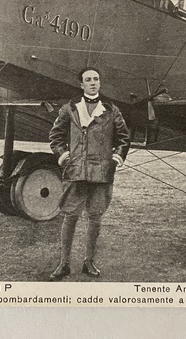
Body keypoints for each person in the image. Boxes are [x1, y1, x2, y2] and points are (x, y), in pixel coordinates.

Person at [48, 67, 130, 280]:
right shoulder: (70, 108)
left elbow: (124, 138)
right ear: (81, 84)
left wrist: (115, 159)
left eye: (96, 79)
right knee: (70, 215)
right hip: (76, 171)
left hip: (101, 174)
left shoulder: (111, 110)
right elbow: (55, 135)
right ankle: (64, 263)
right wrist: (64, 156)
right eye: (88, 80)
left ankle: (89, 262)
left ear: (100, 83)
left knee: (95, 217)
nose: (93, 83)